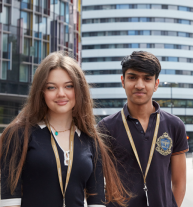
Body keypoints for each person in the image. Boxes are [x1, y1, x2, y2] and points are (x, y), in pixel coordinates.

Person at [0, 52, 129, 207]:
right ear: (41, 92)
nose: (61, 94)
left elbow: (97, 201)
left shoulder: (91, 139)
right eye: (51, 87)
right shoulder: (18, 134)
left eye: (69, 86)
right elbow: (10, 201)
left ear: (79, 90)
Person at [98, 51, 188, 207]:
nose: (139, 85)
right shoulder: (106, 127)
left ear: (156, 84)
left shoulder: (175, 125)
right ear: (123, 81)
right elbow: (97, 181)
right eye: (132, 77)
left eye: (147, 78)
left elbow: (179, 182)